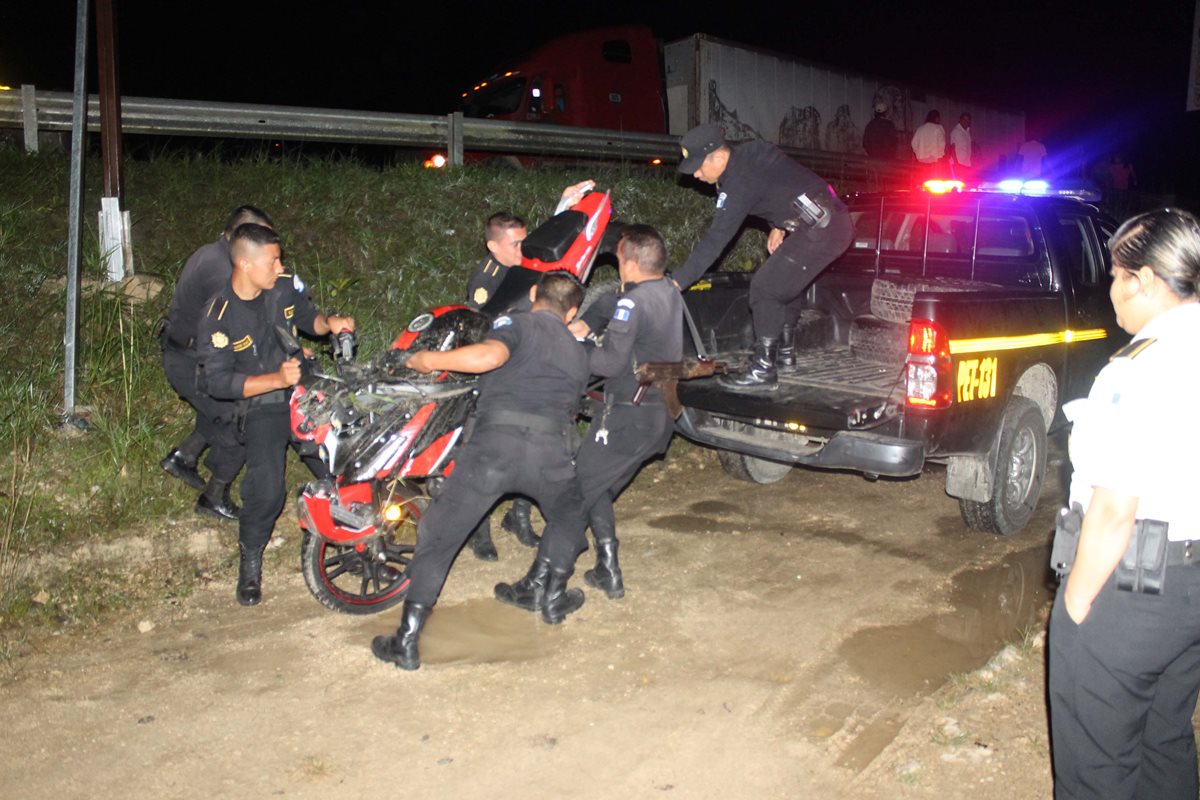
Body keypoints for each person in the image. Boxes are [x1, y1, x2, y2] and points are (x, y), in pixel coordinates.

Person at [1048, 208, 1200, 799]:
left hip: (1134, 592)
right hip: (1191, 592)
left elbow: (1113, 508)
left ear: (1145, 281)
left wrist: (1077, 607)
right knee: (1164, 740)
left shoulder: (1137, 369)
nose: (1111, 289)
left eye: (1115, 274)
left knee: (1097, 766)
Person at [373, 272, 591, 671]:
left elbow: (489, 357)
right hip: (551, 454)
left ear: (532, 295)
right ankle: (554, 598)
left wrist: (425, 360)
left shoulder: (515, 322)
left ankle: (406, 640)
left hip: (495, 449)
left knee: (440, 535)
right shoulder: (579, 352)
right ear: (572, 311)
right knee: (570, 517)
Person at [195, 224, 355, 606]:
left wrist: (329, 324)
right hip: (263, 404)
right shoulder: (219, 314)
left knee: (342, 465)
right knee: (267, 490)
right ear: (246, 265)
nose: (281, 265)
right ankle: (250, 561)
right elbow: (219, 383)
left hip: (302, 393)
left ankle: (356, 538)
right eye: (273, 260)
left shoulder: (280, 286)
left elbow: (308, 318)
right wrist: (273, 379)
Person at [462, 180, 596, 560]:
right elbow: (485, 328)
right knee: (486, 449)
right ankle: (479, 529)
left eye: (524, 241)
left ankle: (518, 517)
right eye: (516, 244)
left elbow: (548, 252)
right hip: (496, 369)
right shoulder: (486, 279)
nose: (524, 249)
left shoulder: (521, 267)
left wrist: (565, 205)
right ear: (494, 247)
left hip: (527, 366)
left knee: (537, 446)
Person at [547, 224, 682, 599]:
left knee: (574, 493)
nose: (618, 266)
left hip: (627, 418)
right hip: (658, 417)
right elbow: (616, 305)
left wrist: (578, 343)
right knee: (596, 487)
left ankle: (545, 586)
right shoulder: (668, 291)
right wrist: (590, 321)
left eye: (620, 260)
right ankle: (608, 569)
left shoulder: (633, 303)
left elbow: (608, 363)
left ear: (632, 264)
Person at [672, 123, 853, 390]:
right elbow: (784, 180)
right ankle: (784, 354)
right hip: (824, 220)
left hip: (821, 229)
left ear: (719, 157)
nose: (696, 175)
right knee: (782, 281)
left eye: (699, 167)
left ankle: (763, 370)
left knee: (765, 288)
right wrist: (780, 225)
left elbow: (715, 241)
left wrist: (676, 282)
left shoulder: (738, 183)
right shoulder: (752, 152)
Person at [159, 205, 274, 521]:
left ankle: (184, 457)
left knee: (222, 408)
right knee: (243, 420)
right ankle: (214, 497)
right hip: (192, 363)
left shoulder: (215, 253)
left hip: (185, 352)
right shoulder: (224, 273)